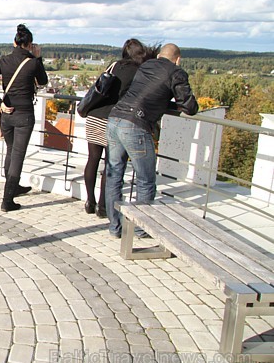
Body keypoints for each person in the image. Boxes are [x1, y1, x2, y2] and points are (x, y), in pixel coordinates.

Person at [104, 43, 199, 237]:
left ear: (159, 56)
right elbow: (189, 107)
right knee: (146, 180)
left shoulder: (146, 66)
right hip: (136, 124)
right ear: (178, 59)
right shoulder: (176, 72)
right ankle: (142, 229)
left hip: (115, 119)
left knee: (114, 176)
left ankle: (115, 227)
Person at [82, 39, 159, 217]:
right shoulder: (140, 72)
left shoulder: (114, 66)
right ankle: (102, 207)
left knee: (92, 159)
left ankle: (89, 201)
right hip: (113, 119)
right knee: (110, 165)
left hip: (94, 116)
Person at [0, 24, 48, 212]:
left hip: (7, 114)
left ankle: (14, 188)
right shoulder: (33, 62)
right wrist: (39, 57)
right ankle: (7, 200)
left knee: (11, 150)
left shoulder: (4, 60)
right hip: (24, 115)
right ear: (29, 44)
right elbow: (43, 81)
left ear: (14, 42)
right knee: (18, 156)